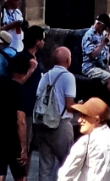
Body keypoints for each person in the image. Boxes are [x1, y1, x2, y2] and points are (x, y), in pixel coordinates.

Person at [0, 49, 34, 180]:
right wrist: (23, 148)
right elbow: (21, 121)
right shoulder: (20, 90)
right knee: (20, 175)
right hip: (13, 141)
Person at [33, 45, 77, 181]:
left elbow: (38, 96)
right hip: (60, 125)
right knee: (68, 163)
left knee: (45, 167)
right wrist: (81, 106)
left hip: (43, 123)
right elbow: (69, 106)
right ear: (68, 60)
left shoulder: (45, 76)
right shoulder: (68, 77)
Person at [58, 97, 110, 181]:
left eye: (84, 116)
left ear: (96, 119)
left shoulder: (86, 141)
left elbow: (65, 174)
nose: (79, 120)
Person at [80, 15, 110, 110]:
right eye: (104, 27)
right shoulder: (89, 35)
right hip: (91, 67)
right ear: (98, 24)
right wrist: (103, 43)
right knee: (109, 77)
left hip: (104, 65)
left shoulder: (103, 34)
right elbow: (92, 55)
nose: (105, 29)